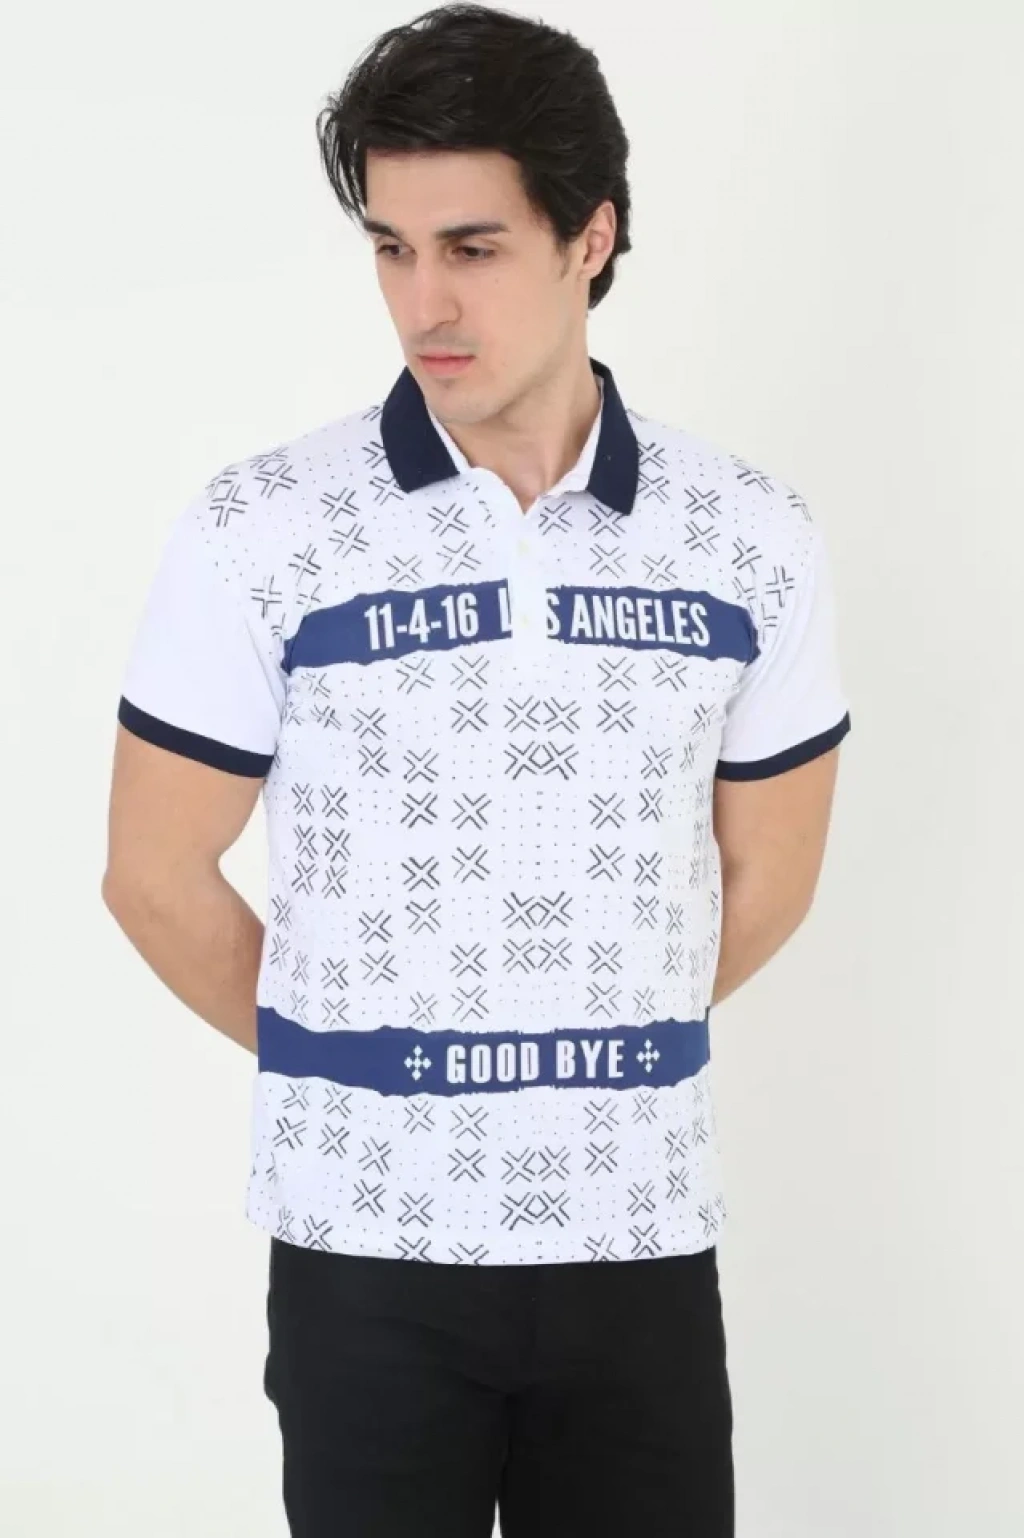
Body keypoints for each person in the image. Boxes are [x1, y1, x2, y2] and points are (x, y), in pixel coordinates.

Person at [101, 5, 852, 1535]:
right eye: (391, 248)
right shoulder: (264, 528)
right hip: (368, 1248)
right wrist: (370, 1059)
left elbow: (768, 869)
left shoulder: (748, 536)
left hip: (639, 1236)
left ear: (592, 237)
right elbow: (153, 871)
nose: (423, 302)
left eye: (472, 247)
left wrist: (583, 1033)